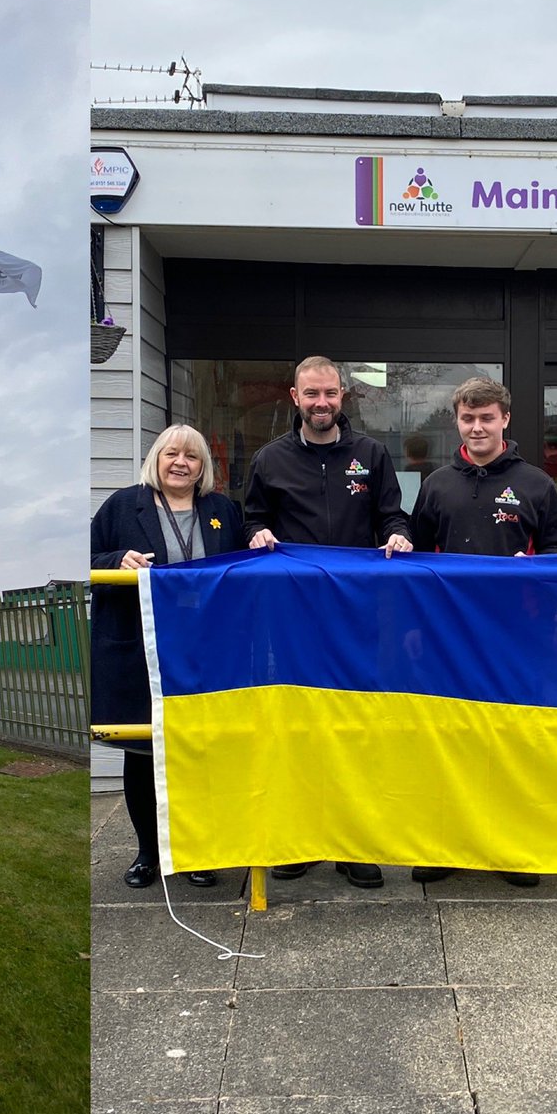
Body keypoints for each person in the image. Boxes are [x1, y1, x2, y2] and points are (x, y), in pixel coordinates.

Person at [245, 355, 413, 888]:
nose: (322, 403)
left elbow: (393, 513)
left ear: (344, 396)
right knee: (299, 726)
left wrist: (398, 534)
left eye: (331, 394)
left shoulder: (371, 453)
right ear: (294, 397)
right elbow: (253, 519)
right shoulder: (269, 460)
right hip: (295, 617)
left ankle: (353, 842)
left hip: (359, 616)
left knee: (357, 725)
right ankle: (302, 838)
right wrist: (256, 536)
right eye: (311, 394)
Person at [409, 376, 557, 888]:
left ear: (505, 419)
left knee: (511, 741)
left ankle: (511, 848)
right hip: (449, 638)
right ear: (457, 422)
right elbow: (412, 561)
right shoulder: (437, 484)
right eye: (468, 418)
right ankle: (446, 846)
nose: (477, 427)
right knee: (450, 738)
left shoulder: (535, 484)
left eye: (487, 418)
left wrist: (533, 567)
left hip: (517, 639)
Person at [90, 424, 246, 890]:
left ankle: (198, 852)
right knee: (143, 752)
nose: (181, 463)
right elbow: (88, 555)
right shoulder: (122, 504)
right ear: (156, 459)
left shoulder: (221, 510)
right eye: (172, 454)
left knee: (200, 752)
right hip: (142, 650)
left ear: (204, 467)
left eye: (192, 457)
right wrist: (117, 558)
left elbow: (240, 571)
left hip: (205, 648)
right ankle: (148, 854)